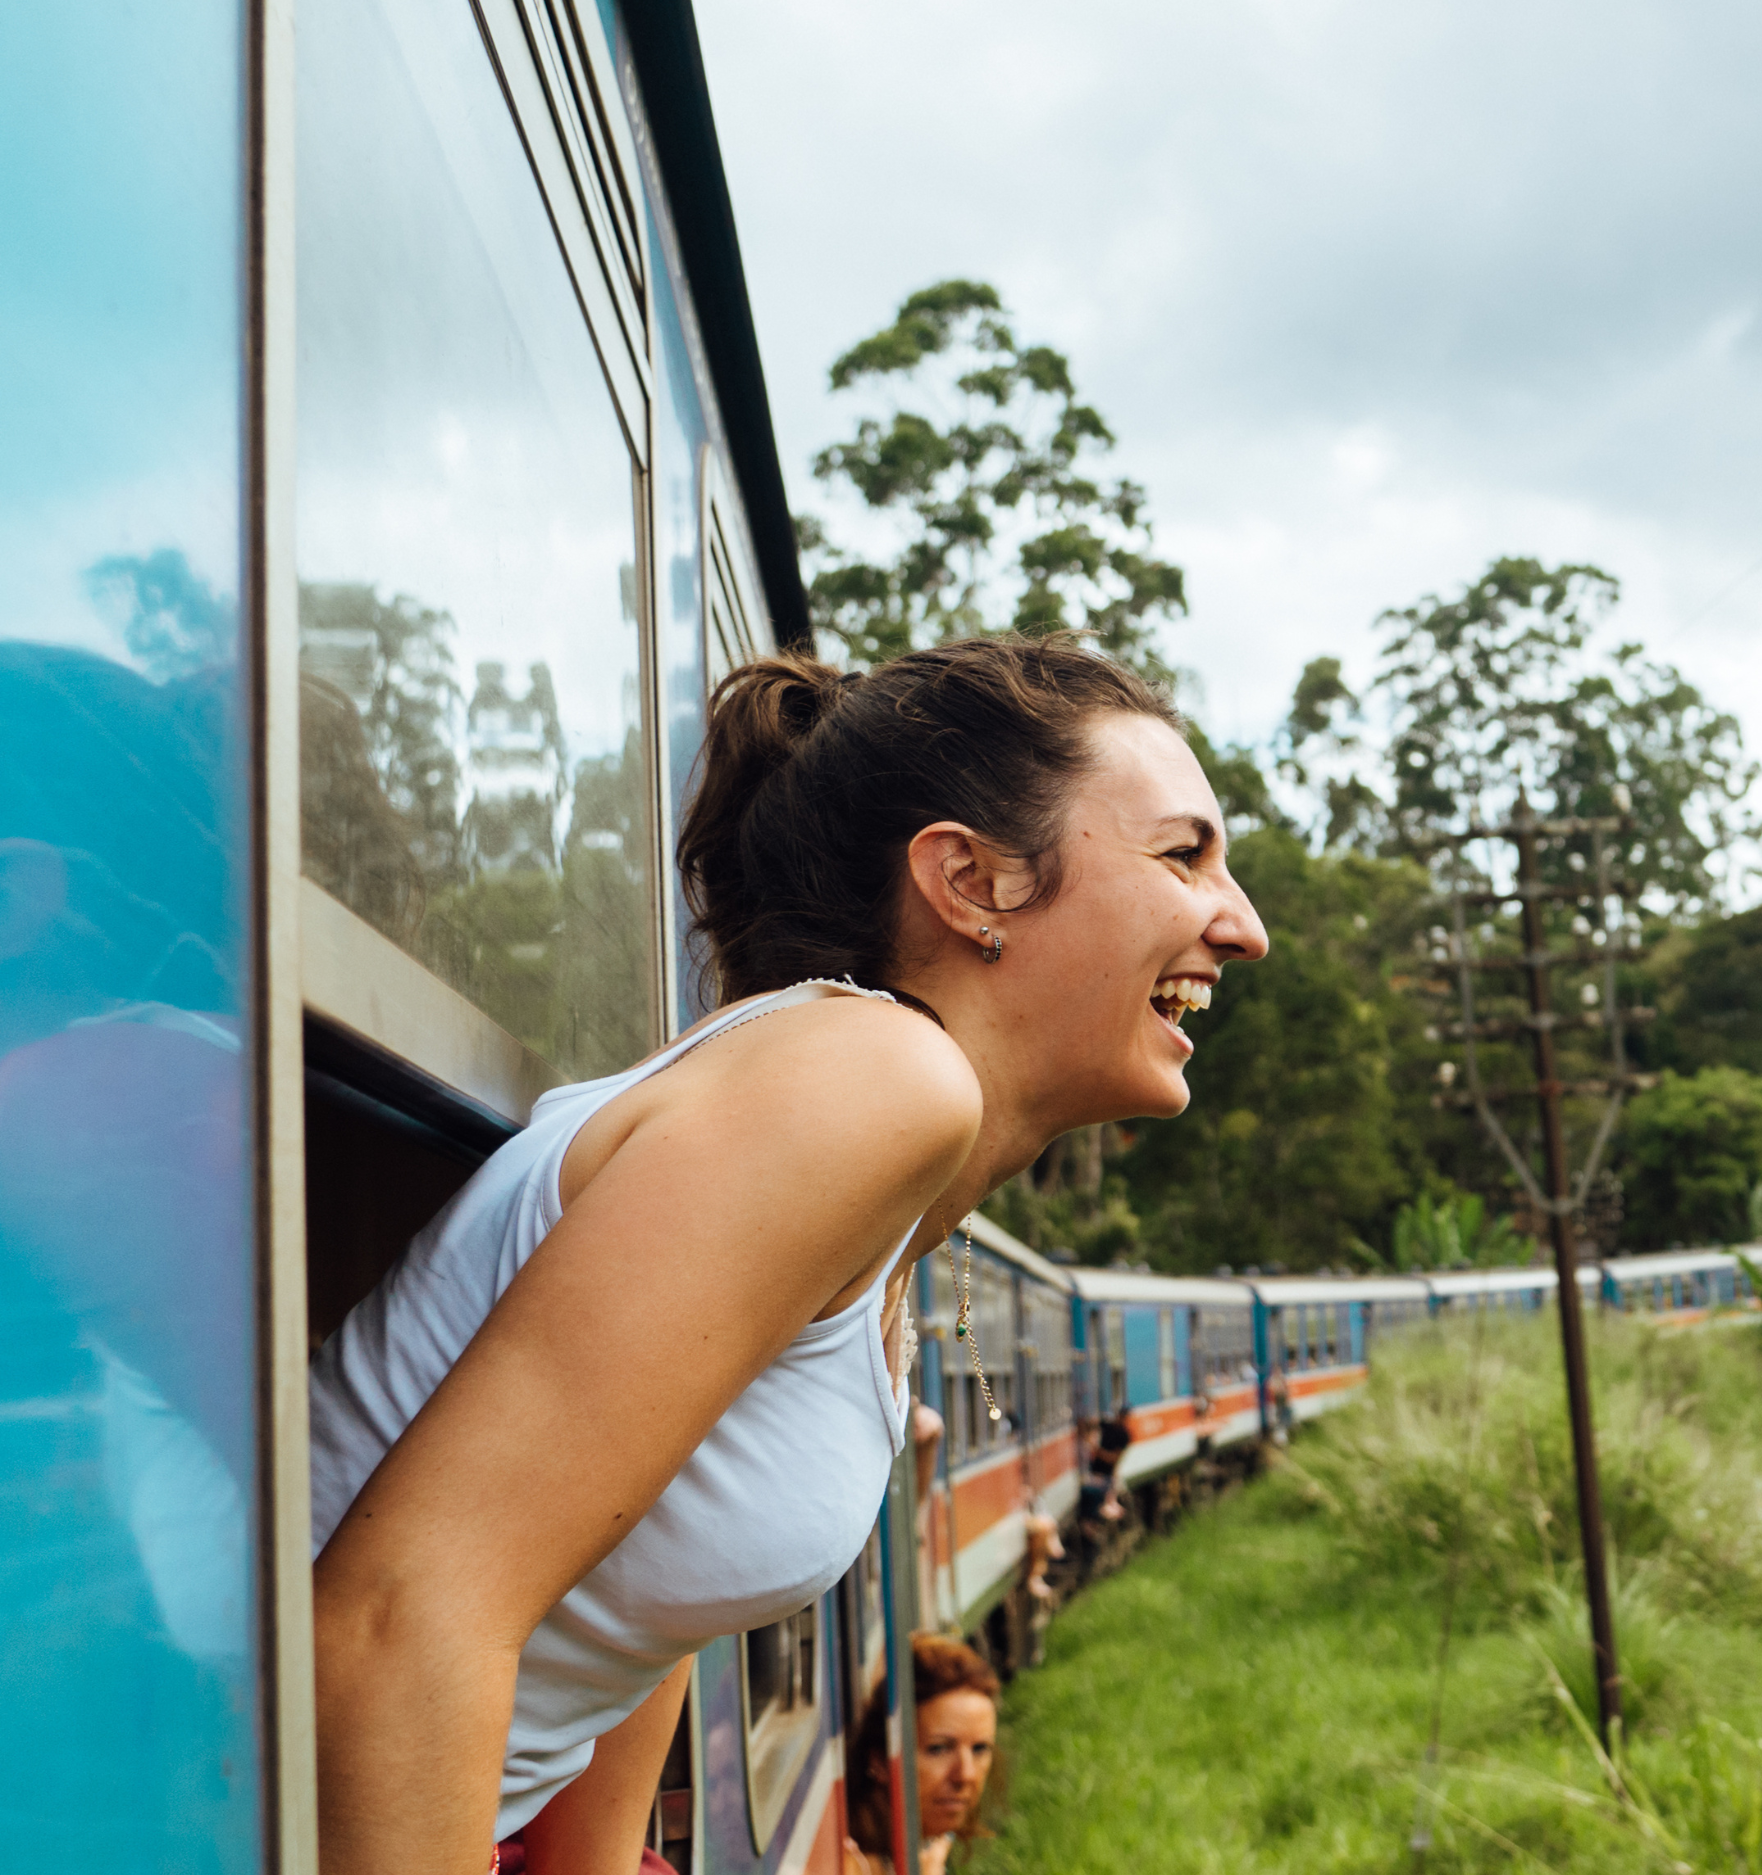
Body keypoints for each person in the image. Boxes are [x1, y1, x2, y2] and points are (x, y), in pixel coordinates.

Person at [308, 638, 1265, 1872]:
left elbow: (628, 1591)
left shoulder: (879, 1176)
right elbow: (397, 1618)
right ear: (970, 882)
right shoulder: (869, 1078)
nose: (1240, 927)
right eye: (1185, 854)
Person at [841, 1633, 1003, 1874]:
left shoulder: (921, 1847)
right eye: (938, 1749)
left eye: (979, 1749)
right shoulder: (853, 1864)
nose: (966, 1775)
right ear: (880, 1761)